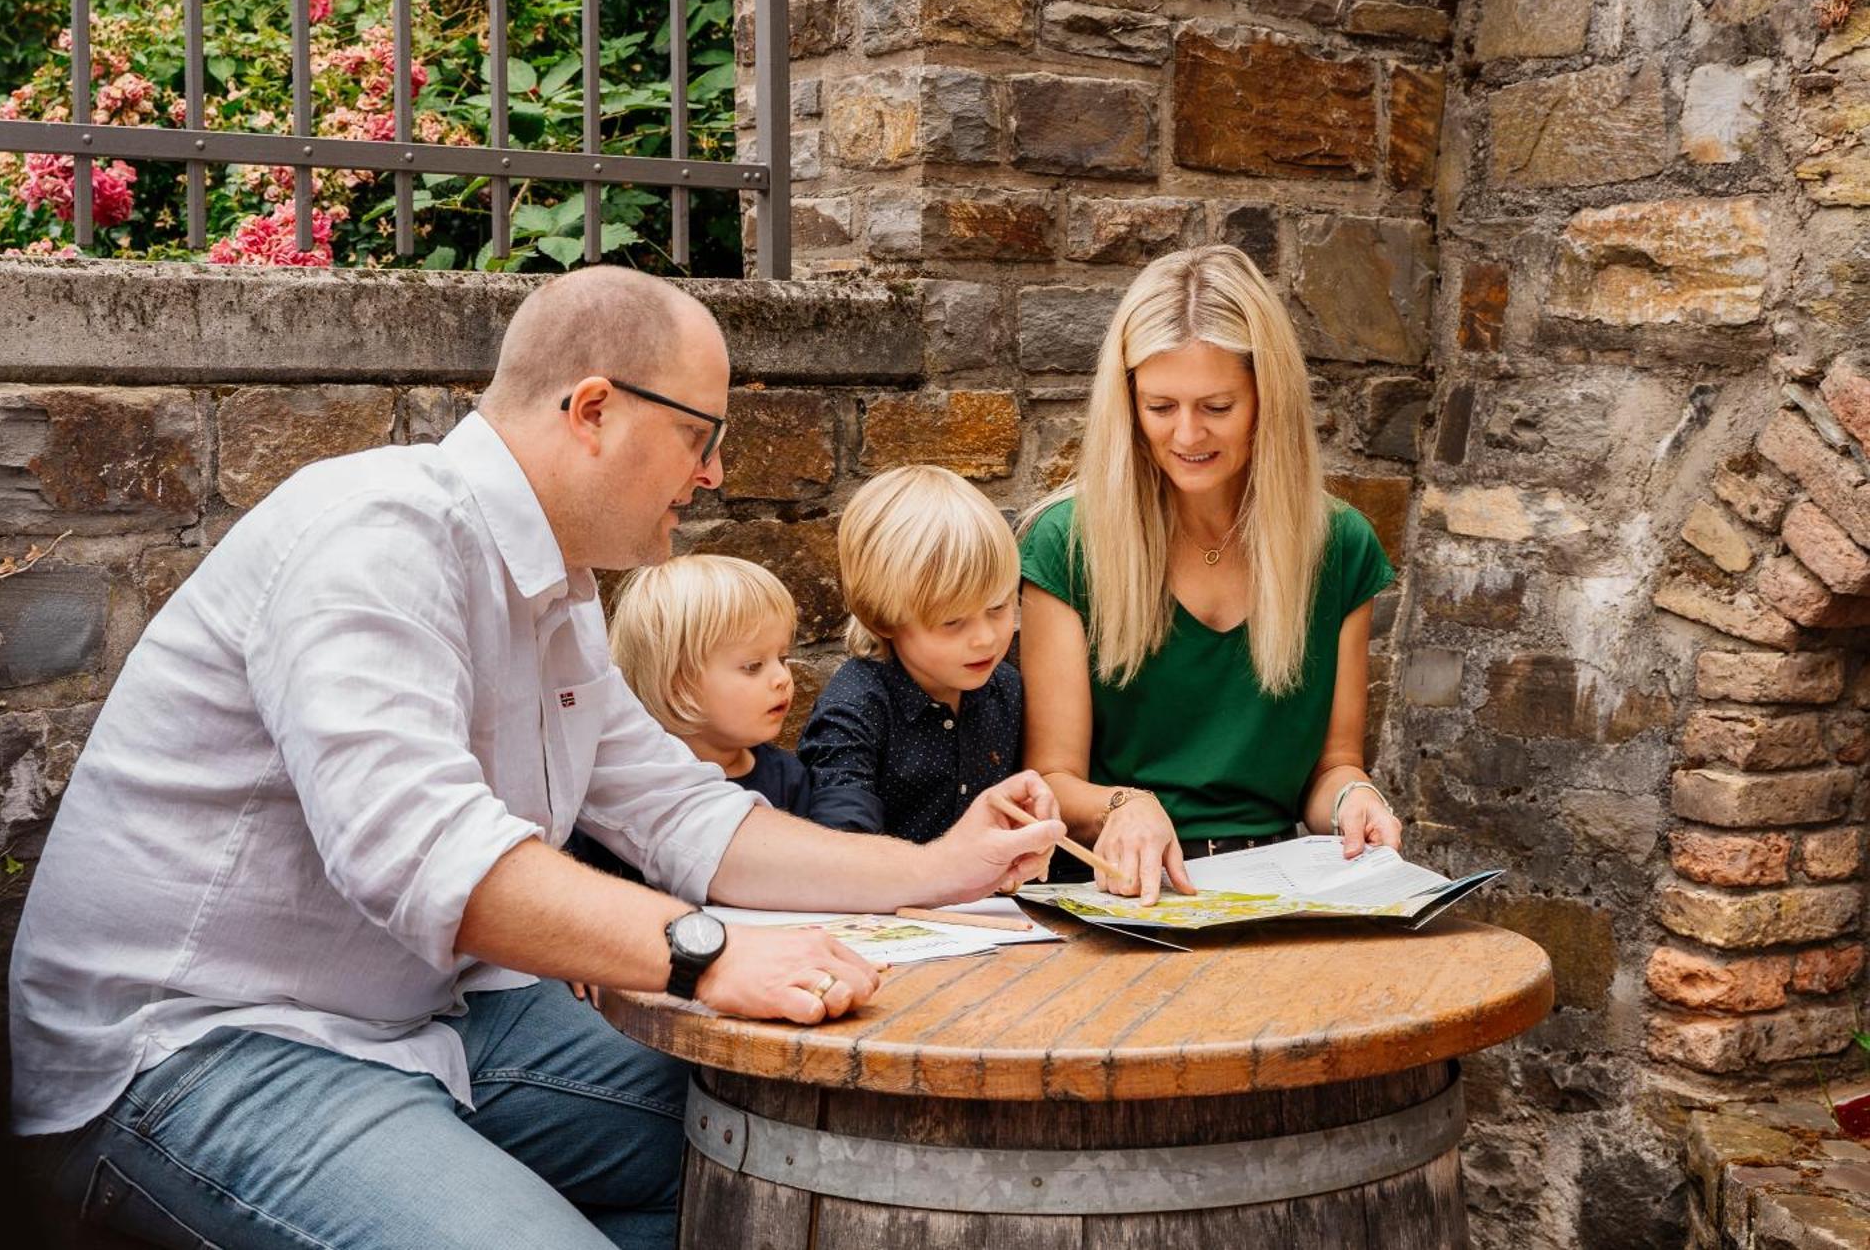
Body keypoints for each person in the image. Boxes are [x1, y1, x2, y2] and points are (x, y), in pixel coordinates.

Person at [7, 266, 1064, 1250]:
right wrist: (702, 951)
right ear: (593, 409)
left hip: (426, 1020)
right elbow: (417, 850)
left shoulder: (555, 590)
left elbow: (684, 816)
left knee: (786, 1152)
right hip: (196, 1049)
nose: (715, 471)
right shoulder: (375, 534)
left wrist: (941, 868)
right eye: (701, 432)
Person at [1018, 245, 1404, 907]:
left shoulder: (1337, 546)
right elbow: (1052, 775)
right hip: (1125, 892)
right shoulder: (1068, 544)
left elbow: (1331, 765)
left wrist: (1353, 797)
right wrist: (1123, 805)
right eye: (1161, 406)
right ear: (1128, 402)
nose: (1187, 432)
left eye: (1217, 406)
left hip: (1280, 884)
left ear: (1266, 400)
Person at [569, 555, 878, 887]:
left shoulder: (788, 777)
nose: (782, 678)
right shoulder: (619, 788)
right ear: (678, 683)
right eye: (753, 666)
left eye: (783, 658)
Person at [798, 465, 1023, 844]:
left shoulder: (1007, 689)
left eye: (998, 608)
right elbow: (839, 844)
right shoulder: (854, 708)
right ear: (882, 618)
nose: (985, 638)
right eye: (953, 622)